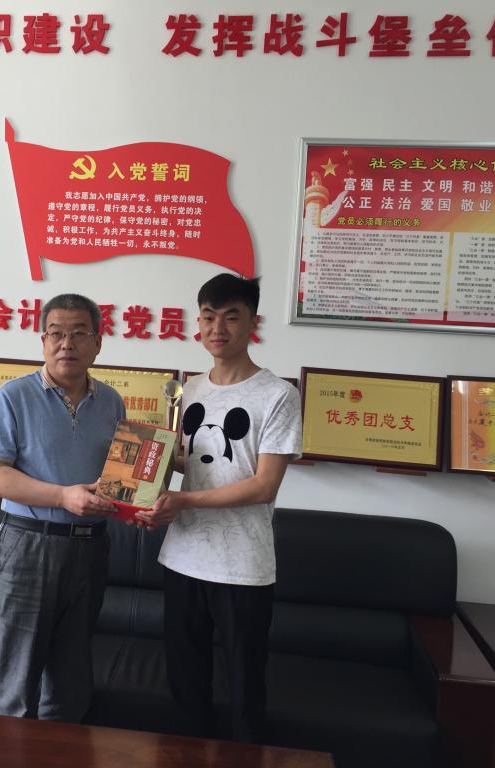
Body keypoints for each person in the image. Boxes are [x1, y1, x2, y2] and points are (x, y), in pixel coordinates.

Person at [137, 273, 302, 743]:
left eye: (231, 317)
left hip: (243, 566)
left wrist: (183, 499)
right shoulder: (187, 391)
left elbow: (264, 485)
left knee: (244, 690)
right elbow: (185, 462)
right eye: (209, 317)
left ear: (253, 323)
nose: (217, 328)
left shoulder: (278, 395)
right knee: (185, 685)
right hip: (183, 557)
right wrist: (142, 486)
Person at [0, 293, 125, 722]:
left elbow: (120, 478)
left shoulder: (111, 402)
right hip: (30, 547)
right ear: (43, 341)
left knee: (71, 682)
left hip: (91, 548)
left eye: (79, 334)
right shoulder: (13, 396)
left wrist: (146, 492)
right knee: (17, 686)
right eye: (56, 334)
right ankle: (6, 752)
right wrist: (63, 496)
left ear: (98, 343)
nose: (67, 344)